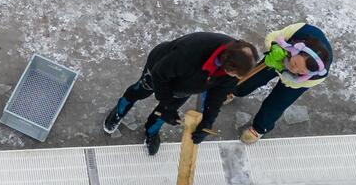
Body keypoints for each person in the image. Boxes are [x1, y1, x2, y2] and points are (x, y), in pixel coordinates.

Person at [103, 32, 260, 155]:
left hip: (187, 86)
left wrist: (207, 123)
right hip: (159, 70)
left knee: (166, 111)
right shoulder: (191, 51)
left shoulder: (234, 68)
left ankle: (152, 130)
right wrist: (166, 104)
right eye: (234, 75)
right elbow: (160, 74)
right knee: (140, 92)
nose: (235, 79)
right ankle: (119, 110)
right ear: (227, 66)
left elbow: (218, 95)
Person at [231, 22, 332, 143]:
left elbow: (291, 82)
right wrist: (274, 50)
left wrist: (287, 71)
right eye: (295, 65)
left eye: (301, 71)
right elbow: (272, 37)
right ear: (295, 50)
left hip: (294, 80)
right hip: (281, 55)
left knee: (279, 100)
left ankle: (260, 127)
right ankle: (235, 90)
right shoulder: (299, 30)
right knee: (255, 76)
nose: (295, 69)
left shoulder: (315, 76)